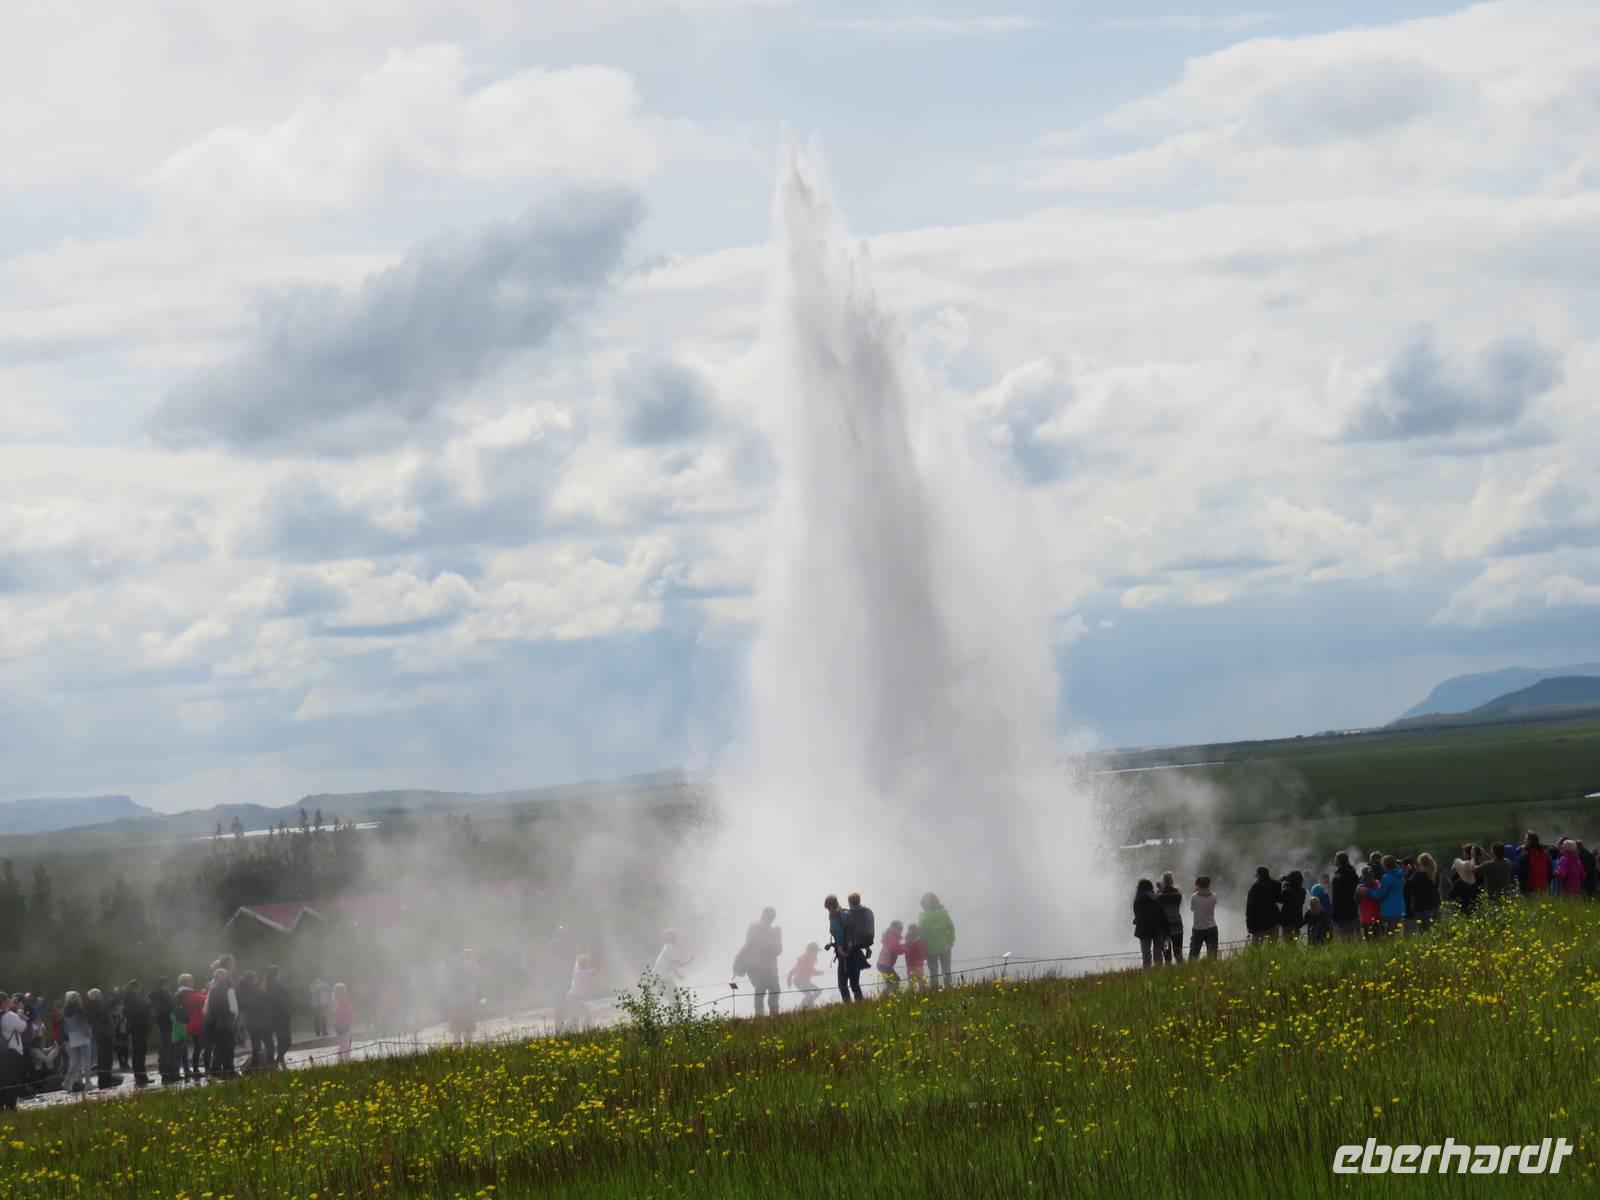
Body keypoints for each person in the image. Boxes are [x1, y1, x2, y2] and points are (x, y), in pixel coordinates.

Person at [736, 907, 784, 1017]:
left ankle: (759, 1017)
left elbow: (749, 943)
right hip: (768, 968)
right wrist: (778, 937)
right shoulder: (772, 932)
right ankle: (774, 1015)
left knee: (760, 990)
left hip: (752, 966)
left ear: (763, 914)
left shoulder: (753, 927)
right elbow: (777, 950)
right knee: (774, 990)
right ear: (772, 917)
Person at [825, 895, 863, 1002]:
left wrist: (840, 948)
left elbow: (840, 933)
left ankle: (848, 1008)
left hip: (845, 953)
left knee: (842, 984)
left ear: (829, 907)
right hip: (855, 950)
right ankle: (861, 1004)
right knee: (854, 983)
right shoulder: (845, 913)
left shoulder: (834, 916)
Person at [203, 967, 238, 1078]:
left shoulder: (212, 991)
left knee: (218, 1047)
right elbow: (233, 1009)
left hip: (215, 1024)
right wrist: (233, 1019)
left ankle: (215, 1070)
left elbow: (206, 1009)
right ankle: (229, 1070)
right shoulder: (229, 989)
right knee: (229, 1047)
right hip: (227, 1023)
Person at [84, 988, 122, 1090]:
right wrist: (116, 995)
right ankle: (105, 1082)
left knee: (105, 1059)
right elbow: (107, 1006)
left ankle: (105, 1080)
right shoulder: (94, 1006)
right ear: (95, 996)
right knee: (105, 1060)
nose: (102, 996)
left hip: (103, 1035)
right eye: (100, 994)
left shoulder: (95, 1006)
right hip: (103, 1035)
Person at [918, 893, 956, 990]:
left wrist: (922, 948)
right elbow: (951, 928)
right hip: (945, 946)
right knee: (947, 970)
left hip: (930, 949)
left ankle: (935, 991)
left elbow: (921, 933)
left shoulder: (923, 917)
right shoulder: (944, 914)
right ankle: (949, 989)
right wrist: (950, 942)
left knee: (933, 972)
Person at [237, 970, 271, 1070]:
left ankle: (256, 1065)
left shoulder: (242, 991)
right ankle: (270, 1064)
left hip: (251, 1022)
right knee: (269, 1044)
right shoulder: (257, 990)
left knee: (255, 1045)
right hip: (262, 1021)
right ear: (253, 979)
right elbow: (265, 1002)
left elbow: (241, 1006)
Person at [121, 979, 152, 1087]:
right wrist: (147, 1005)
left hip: (135, 1028)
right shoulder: (133, 999)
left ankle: (139, 1076)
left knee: (137, 1053)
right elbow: (137, 1012)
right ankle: (141, 1076)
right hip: (139, 1028)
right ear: (136, 988)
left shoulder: (128, 999)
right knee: (140, 1053)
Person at [62, 992, 93, 1094]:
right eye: (79, 997)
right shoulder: (78, 1009)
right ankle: (88, 1083)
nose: (80, 999)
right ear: (75, 999)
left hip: (72, 1036)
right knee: (87, 1060)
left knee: (75, 1060)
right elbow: (83, 1023)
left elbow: (65, 1026)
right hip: (82, 1035)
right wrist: (88, 1034)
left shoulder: (65, 1010)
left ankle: (66, 1082)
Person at [148, 978, 179, 1085]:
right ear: (165, 983)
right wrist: (173, 1004)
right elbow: (166, 1008)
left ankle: (167, 1072)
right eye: (168, 983)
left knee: (166, 1048)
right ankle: (169, 1073)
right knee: (168, 1048)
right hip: (167, 1023)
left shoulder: (157, 996)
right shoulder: (162, 995)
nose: (170, 985)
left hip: (163, 1023)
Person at [1132, 879, 1167, 967]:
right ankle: (1159, 972)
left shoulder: (1138, 899)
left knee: (1146, 955)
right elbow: (1162, 913)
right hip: (1158, 928)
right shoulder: (1157, 897)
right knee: (1158, 953)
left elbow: (1137, 915)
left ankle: (1147, 973)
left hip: (1144, 929)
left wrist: (1136, 920)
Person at [178, 973, 206, 1080]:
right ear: (186, 982)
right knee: (198, 1047)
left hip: (190, 1023)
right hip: (194, 1023)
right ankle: (195, 1069)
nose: (193, 981)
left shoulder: (182, 993)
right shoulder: (187, 994)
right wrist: (206, 994)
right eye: (191, 980)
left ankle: (191, 1069)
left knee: (192, 1048)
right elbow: (199, 999)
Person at [0, 993, 25, 1112]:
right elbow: (22, 1027)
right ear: (4, 1002)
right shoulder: (10, 1015)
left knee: (3, 1080)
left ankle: (2, 1106)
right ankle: (11, 1106)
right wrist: (20, 1014)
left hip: (2, 1052)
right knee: (13, 1080)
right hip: (12, 1051)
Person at [1245, 867, 1282, 944]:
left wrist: (1249, 925)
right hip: (1273, 921)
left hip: (1258, 924)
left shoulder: (1255, 888)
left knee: (1256, 950)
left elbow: (1250, 907)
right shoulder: (1276, 885)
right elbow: (1279, 899)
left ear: (1258, 876)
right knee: (1272, 948)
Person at [1406, 854, 1441, 933]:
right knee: (1434, 929)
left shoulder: (1418, 876)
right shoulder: (1435, 874)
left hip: (1421, 907)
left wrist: (1410, 872)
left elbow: (1408, 885)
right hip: (1434, 905)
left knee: (1423, 931)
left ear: (1420, 863)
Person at [265, 965, 292, 1068]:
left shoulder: (269, 985)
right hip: (282, 1017)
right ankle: (276, 1063)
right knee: (287, 1042)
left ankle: (282, 1062)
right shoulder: (277, 987)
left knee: (281, 1040)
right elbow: (285, 1000)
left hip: (275, 1017)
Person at [562, 956, 598, 1030]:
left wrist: (579, 956)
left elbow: (577, 962)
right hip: (574, 998)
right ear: (584, 964)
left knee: (576, 1016)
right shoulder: (583, 973)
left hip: (572, 997)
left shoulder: (576, 971)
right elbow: (597, 970)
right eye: (587, 963)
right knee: (584, 1014)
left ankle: (566, 1031)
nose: (588, 965)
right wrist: (604, 960)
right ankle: (586, 1029)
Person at [1330, 852, 1359, 941]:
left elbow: (1336, 898)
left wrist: (1334, 914)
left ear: (1338, 861)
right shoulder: (1353, 874)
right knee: (1351, 932)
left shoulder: (1338, 877)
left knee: (1344, 934)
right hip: (1353, 908)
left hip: (1342, 911)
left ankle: (1347, 950)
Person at [1188, 875, 1219, 958]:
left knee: (1193, 955)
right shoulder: (1214, 896)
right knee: (1212, 955)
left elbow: (1192, 909)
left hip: (1198, 928)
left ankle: (1192, 970)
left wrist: (1195, 891)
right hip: (1212, 927)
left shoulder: (1194, 897)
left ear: (1198, 885)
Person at [1156, 872, 1184, 963]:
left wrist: (1159, 889)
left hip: (1165, 929)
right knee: (1178, 952)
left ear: (1163, 882)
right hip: (1177, 926)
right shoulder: (1178, 895)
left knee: (1167, 954)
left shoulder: (1160, 896)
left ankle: (1168, 971)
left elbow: (1157, 905)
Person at [1375, 856, 1406, 935]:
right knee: (1398, 934)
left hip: (1388, 911)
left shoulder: (1386, 878)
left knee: (1389, 935)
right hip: (1399, 909)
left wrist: (1368, 891)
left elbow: (1379, 895)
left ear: (1385, 865)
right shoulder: (1401, 875)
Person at [787, 942, 825, 1009]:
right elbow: (812, 972)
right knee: (816, 992)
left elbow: (795, 969)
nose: (817, 953)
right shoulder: (809, 958)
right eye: (816, 951)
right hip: (801, 981)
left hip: (798, 981)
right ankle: (803, 1007)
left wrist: (789, 977)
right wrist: (822, 972)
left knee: (809, 994)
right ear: (812, 951)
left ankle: (804, 1007)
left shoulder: (804, 957)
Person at [876, 920, 906, 993]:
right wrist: (906, 949)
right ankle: (891, 996)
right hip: (885, 964)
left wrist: (904, 947)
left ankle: (888, 997)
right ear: (895, 928)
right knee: (895, 980)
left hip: (883, 964)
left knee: (892, 982)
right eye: (900, 928)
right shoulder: (891, 936)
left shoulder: (890, 935)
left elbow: (895, 946)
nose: (901, 931)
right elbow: (893, 948)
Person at [1278, 871, 1307, 941]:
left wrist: (1281, 883)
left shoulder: (1286, 891)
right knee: (1294, 942)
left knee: (1286, 941)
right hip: (1297, 921)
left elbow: (1279, 899)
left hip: (1287, 921)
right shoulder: (1302, 892)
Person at [1355, 866, 1381, 937]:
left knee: (1368, 939)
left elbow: (1357, 901)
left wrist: (1357, 892)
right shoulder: (1378, 883)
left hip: (1365, 917)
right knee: (1378, 938)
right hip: (1376, 916)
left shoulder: (1360, 886)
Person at [331, 983, 353, 1063]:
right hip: (345, 1024)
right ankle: (347, 1060)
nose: (346, 991)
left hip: (337, 1025)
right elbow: (346, 1012)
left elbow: (336, 1013)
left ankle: (339, 1059)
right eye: (344, 989)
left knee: (341, 1043)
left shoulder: (335, 1000)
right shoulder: (343, 1000)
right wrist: (351, 1013)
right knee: (346, 1043)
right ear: (342, 991)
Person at [902, 923, 929, 988]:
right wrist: (924, 957)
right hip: (918, 963)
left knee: (911, 982)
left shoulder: (907, 940)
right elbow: (924, 950)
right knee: (921, 980)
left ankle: (911, 994)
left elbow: (906, 951)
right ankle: (923, 994)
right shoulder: (921, 940)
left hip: (909, 963)